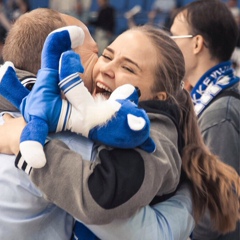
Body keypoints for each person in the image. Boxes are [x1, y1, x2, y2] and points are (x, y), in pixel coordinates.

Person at [2, 19, 240, 238]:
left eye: (129, 68)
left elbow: (105, 201)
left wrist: (24, 141)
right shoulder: (73, 119)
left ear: (159, 95)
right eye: (105, 56)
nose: (105, 68)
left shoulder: (150, 136)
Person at [170, 0, 240, 239]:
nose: (169, 46)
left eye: (174, 38)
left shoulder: (219, 114)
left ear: (197, 43)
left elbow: (214, 213)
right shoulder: (217, 97)